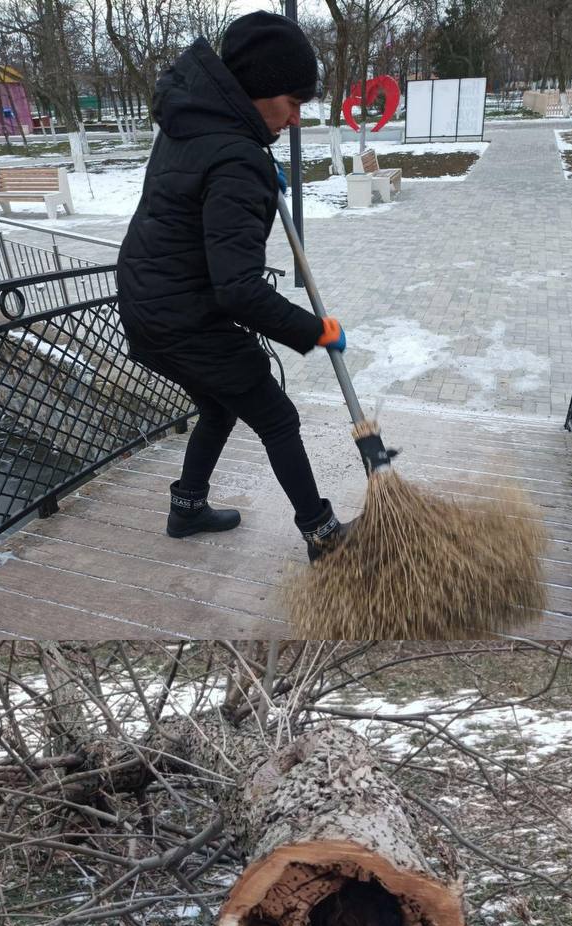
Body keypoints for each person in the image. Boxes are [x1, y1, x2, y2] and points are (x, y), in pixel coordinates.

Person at [117, 11, 356, 561]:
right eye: (293, 103)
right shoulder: (235, 156)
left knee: (221, 405)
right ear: (260, 91)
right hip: (184, 317)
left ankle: (188, 508)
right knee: (275, 414)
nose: (295, 118)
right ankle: (322, 534)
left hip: (148, 304)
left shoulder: (193, 123)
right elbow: (239, 290)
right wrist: (314, 329)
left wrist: (252, 164)